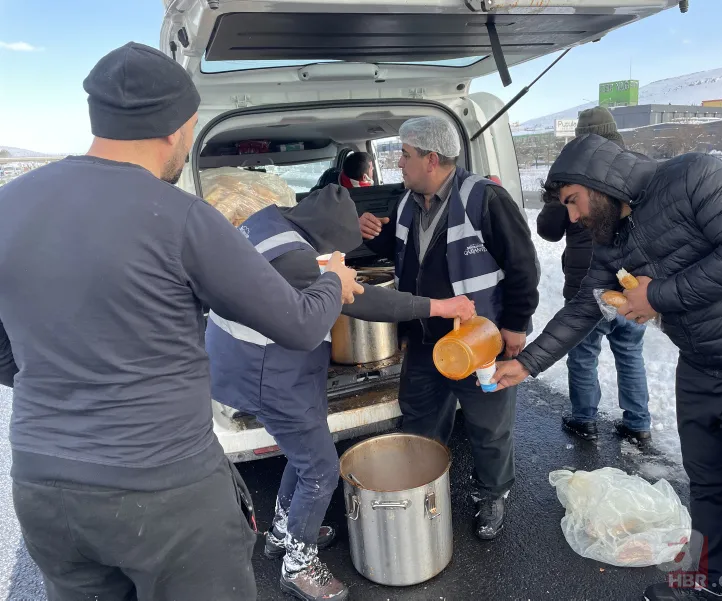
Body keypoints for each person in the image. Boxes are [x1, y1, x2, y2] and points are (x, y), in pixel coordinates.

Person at [0, 42, 363, 601]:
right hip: (165, 488)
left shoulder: (8, 206)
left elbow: (6, 356)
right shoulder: (181, 218)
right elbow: (298, 325)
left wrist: (58, 379)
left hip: (44, 486)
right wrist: (333, 282)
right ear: (175, 129)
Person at [491, 133, 722, 601]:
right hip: (698, 366)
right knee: (709, 489)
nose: (572, 216)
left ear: (598, 182)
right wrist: (528, 364)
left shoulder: (697, 174)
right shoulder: (613, 237)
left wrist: (654, 295)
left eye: (573, 202)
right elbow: (584, 307)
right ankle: (711, 587)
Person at [206, 186, 475, 601]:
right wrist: (439, 307)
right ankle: (298, 565)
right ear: (326, 237)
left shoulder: (268, 221)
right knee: (320, 468)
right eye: (341, 250)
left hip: (253, 360)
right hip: (268, 372)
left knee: (309, 449)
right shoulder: (297, 260)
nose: (343, 258)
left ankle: (284, 531)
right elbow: (366, 302)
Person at [358, 115, 541, 540]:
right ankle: (425, 488)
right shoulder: (405, 202)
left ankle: (492, 493)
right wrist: (373, 236)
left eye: (404, 155)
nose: (397, 163)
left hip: (479, 342)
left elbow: (522, 266)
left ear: (432, 159)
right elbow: (402, 253)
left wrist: (516, 325)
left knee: (488, 425)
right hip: (425, 342)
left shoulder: (485, 198)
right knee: (421, 419)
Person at [536, 107, 651, 443]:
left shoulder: (573, 173)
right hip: (631, 283)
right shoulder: (634, 169)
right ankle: (637, 424)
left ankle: (583, 419)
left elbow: (548, 230)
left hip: (584, 285)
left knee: (583, 354)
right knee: (630, 353)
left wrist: (562, 202)